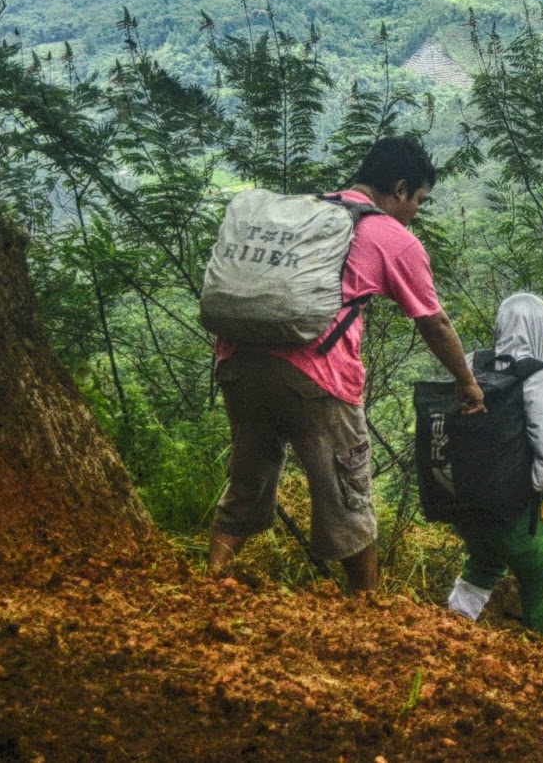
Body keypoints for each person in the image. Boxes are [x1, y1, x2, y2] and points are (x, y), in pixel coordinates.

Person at [207, 137, 483, 594]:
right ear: (399, 188)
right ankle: (367, 607)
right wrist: (467, 383)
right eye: (418, 200)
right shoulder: (390, 236)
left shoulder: (309, 214)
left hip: (239, 362)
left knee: (247, 481)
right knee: (348, 493)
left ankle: (210, 580)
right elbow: (434, 323)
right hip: (315, 378)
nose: (416, 211)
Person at [445, 292, 543, 633]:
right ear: (541, 329)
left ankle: (449, 630)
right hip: (516, 515)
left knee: (485, 562)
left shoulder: (471, 364)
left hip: (466, 509)